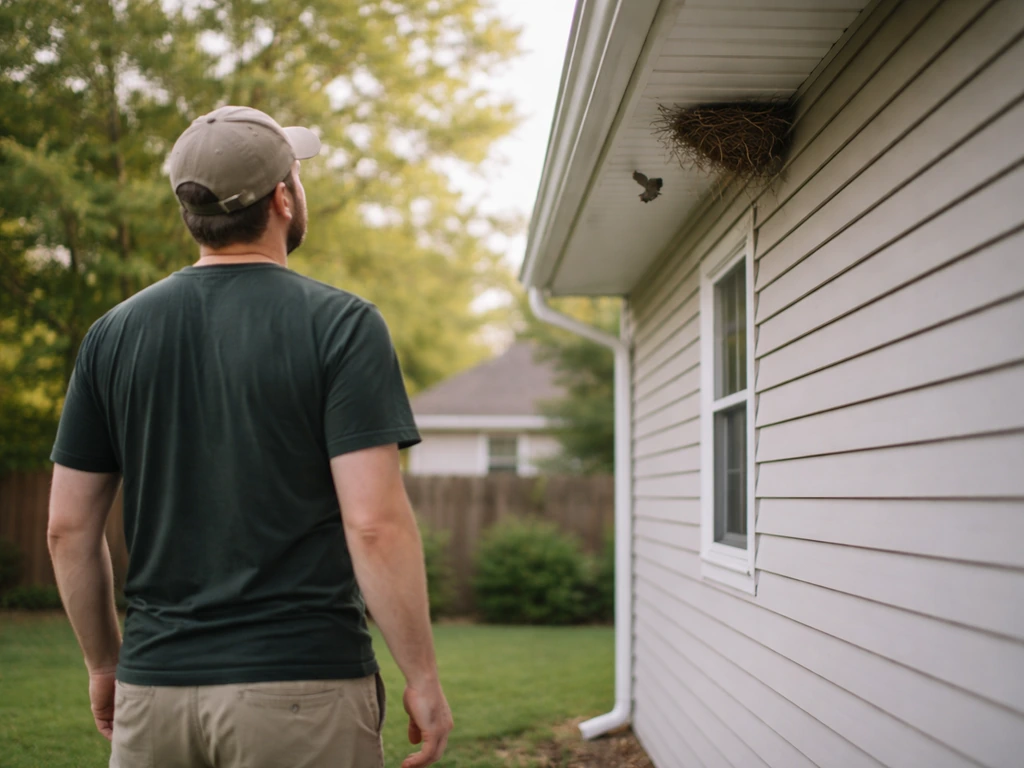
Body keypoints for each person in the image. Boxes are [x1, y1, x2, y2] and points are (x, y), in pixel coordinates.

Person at [47, 105, 453, 768]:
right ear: (283, 198)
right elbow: (375, 523)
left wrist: (103, 664)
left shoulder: (111, 336)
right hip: (303, 691)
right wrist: (423, 677)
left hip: (152, 697)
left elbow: (66, 529)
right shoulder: (342, 326)